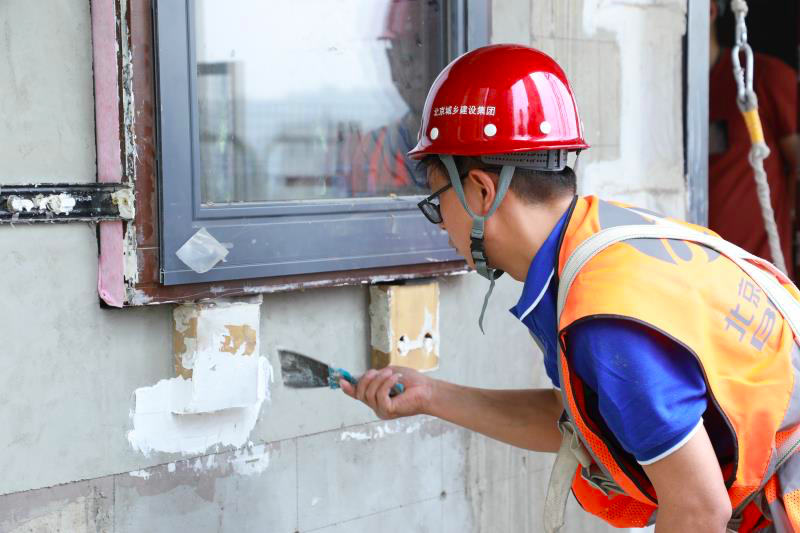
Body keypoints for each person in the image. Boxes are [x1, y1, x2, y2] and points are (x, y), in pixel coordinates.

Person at [340, 44, 800, 532]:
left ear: (480, 190)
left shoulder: (607, 315)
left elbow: (698, 510)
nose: (439, 224)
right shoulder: (603, 243)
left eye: (437, 201)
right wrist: (431, 394)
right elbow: (589, 415)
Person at [709, 0, 799, 278]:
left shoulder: (765, 78)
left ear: (710, 10)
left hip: (759, 278)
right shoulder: (667, 90)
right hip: (696, 276)